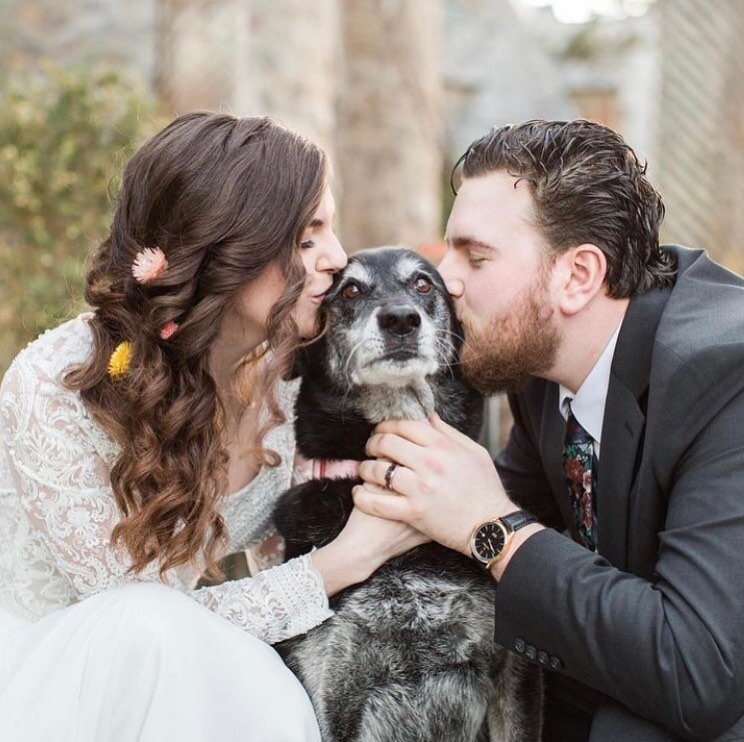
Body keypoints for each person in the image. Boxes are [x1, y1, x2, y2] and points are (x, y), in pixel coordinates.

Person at [0, 111, 426, 742]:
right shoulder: (55, 386)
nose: (338, 259)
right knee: (148, 623)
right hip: (56, 682)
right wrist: (345, 560)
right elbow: (142, 622)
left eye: (331, 232)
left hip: (195, 681)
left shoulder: (297, 379)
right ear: (228, 251)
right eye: (308, 239)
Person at [354, 119, 744, 741]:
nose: (444, 279)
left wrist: (495, 530)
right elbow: (480, 525)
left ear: (578, 277)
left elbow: (699, 672)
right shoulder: (539, 364)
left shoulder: (726, 375)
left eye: (475, 256)